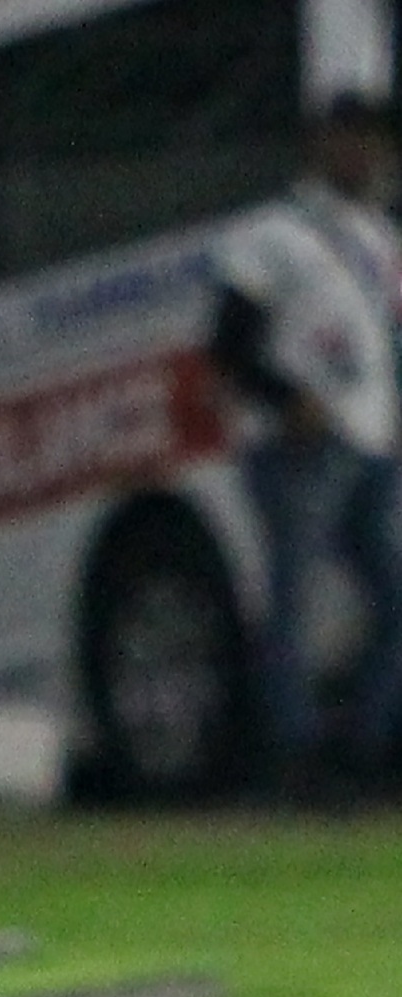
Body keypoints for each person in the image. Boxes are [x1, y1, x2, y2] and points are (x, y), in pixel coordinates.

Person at [210, 94, 402, 788]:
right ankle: (295, 754)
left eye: (376, 142)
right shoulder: (275, 236)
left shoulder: (380, 238)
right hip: (300, 447)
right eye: (354, 141)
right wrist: (289, 399)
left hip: (371, 442)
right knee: (291, 600)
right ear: (323, 146)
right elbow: (228, 343)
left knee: (393, 597)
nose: (369, 156)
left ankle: (364, 748)